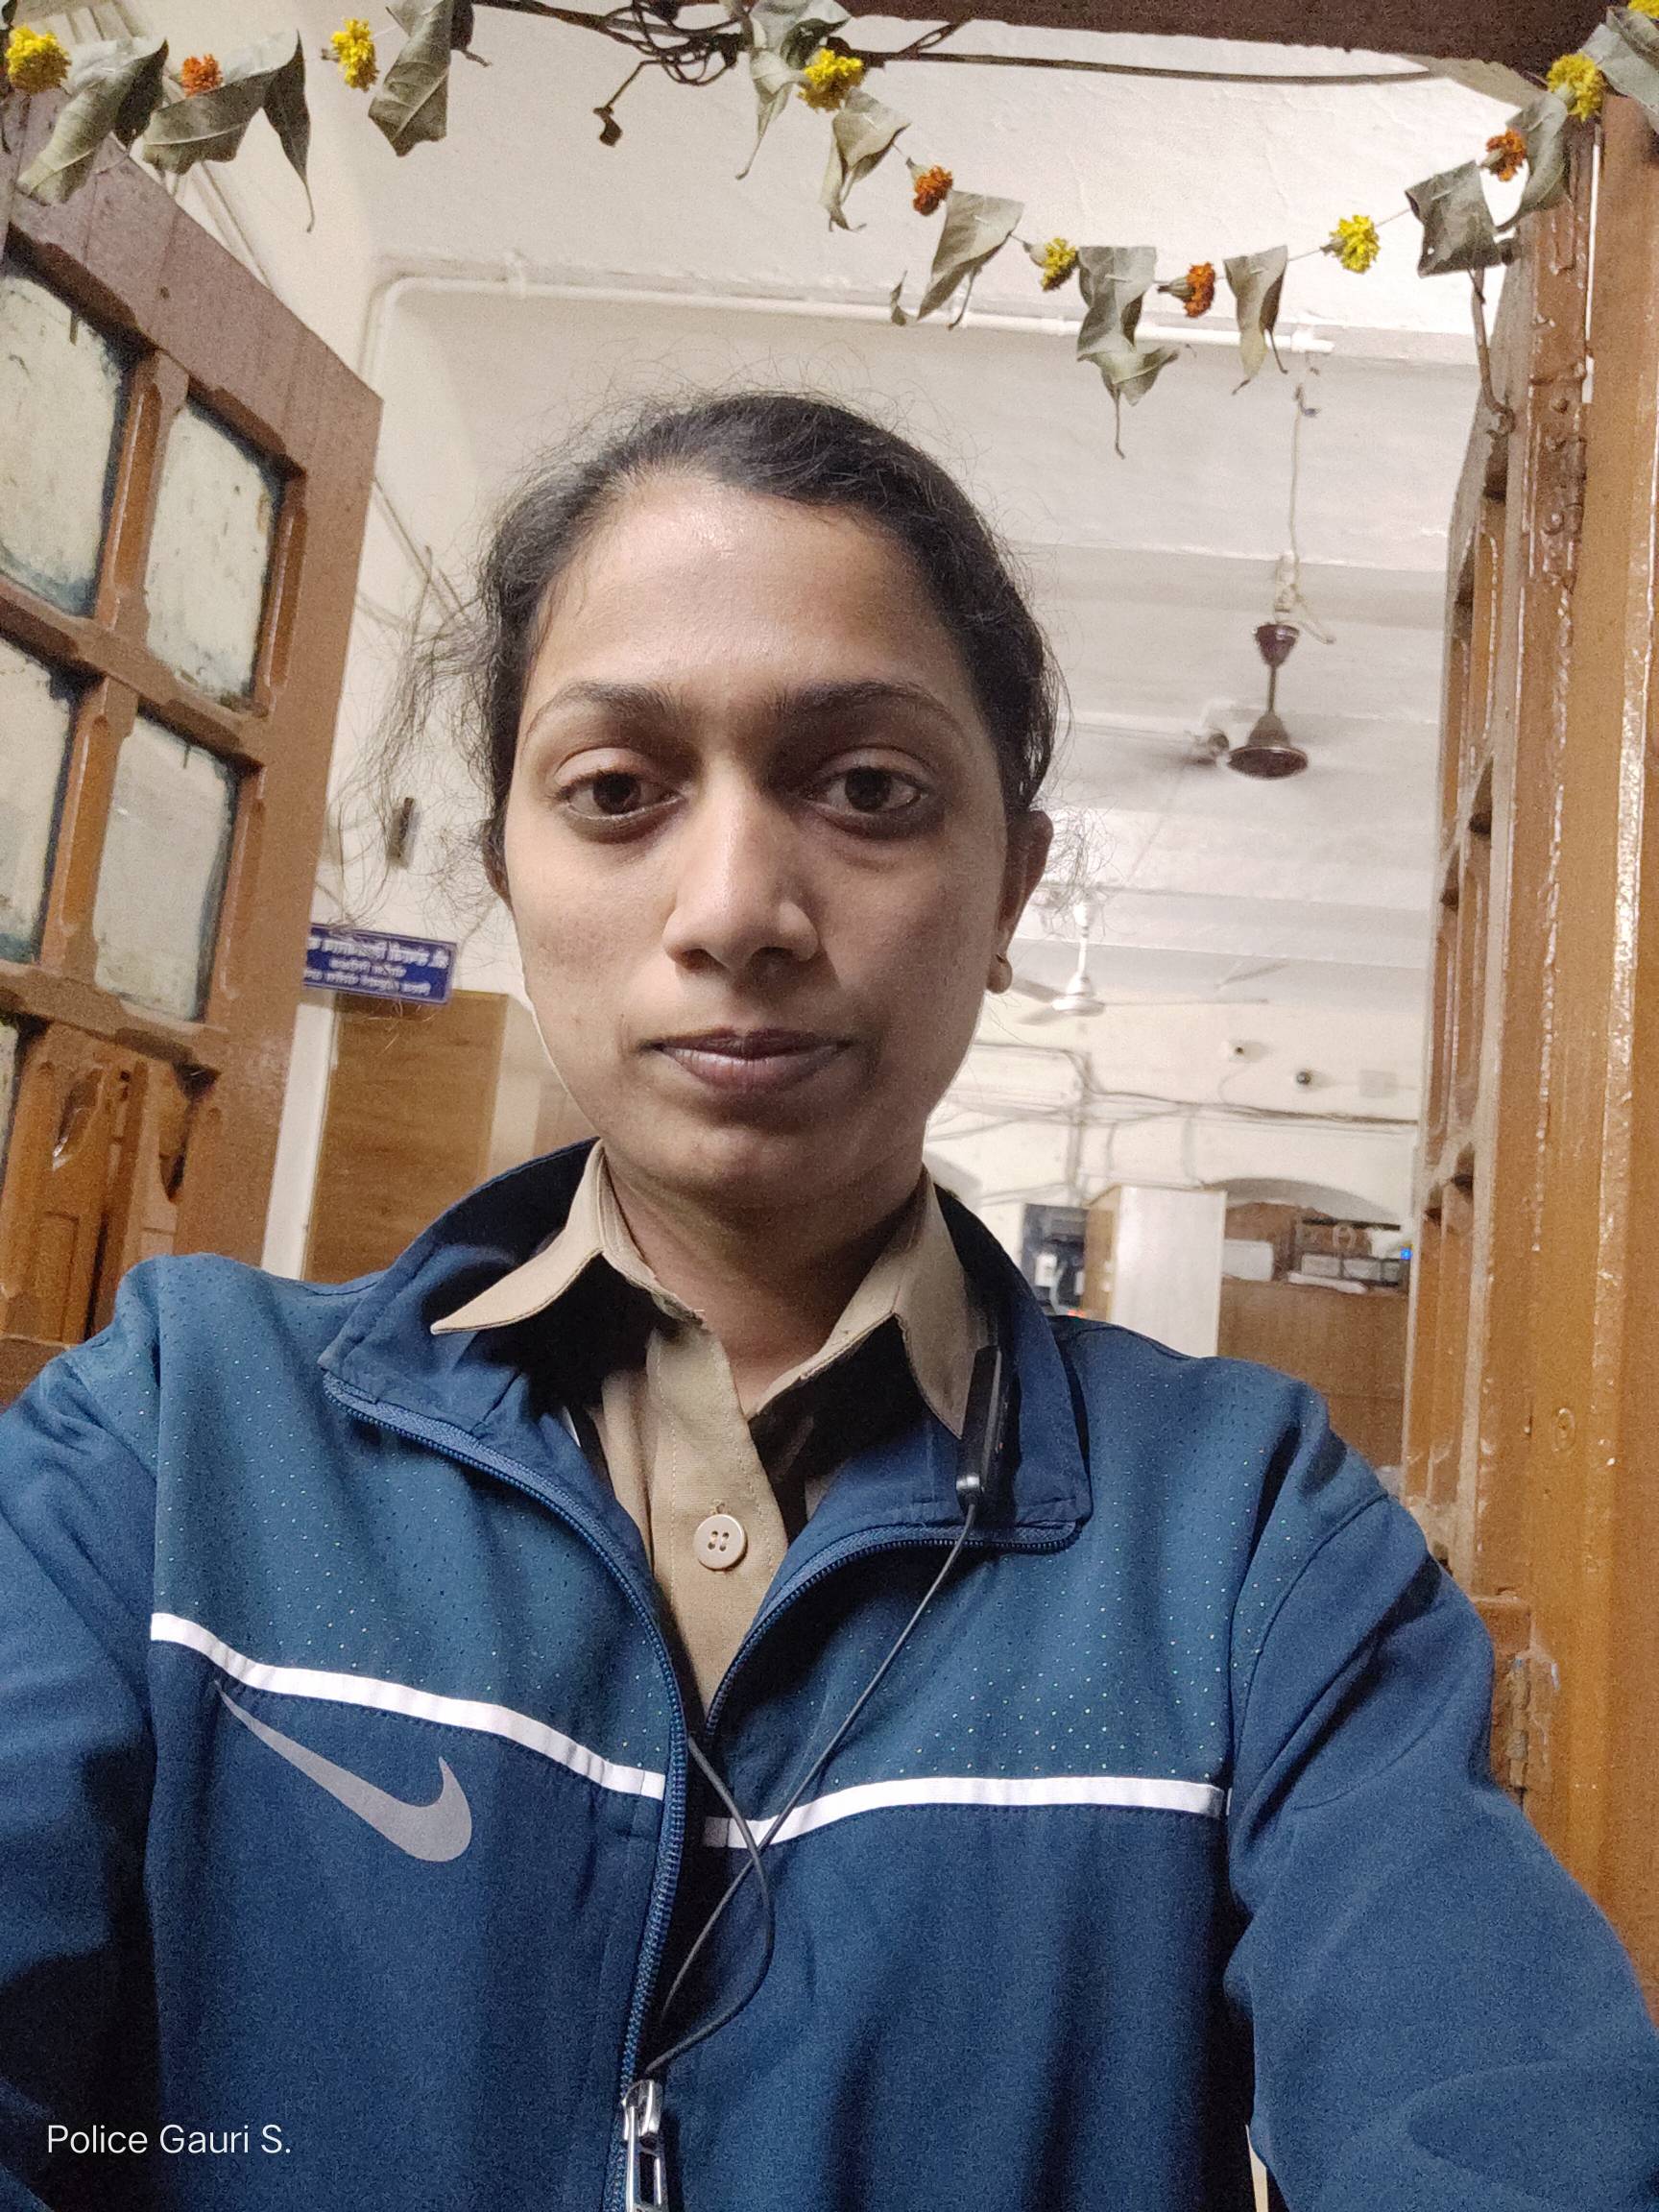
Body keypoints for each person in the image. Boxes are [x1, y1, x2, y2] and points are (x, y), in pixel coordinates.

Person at [2, 389, 1656, 2212]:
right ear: (506, 877)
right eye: (617, 793)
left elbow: (1500, 2119)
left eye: (868, 789)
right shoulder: (170, 1452)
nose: (735, 911)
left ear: (1010, 887)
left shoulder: (1249, 1541)